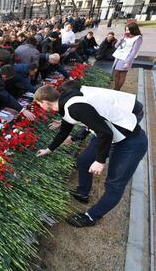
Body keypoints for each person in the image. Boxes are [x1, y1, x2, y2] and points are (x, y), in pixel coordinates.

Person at [35, 84, 147, 227]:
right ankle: (83, 193)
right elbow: (64, 131)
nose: (40, 107)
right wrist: (49, 149)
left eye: (39, 104)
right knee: (84, 160)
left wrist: (100, 161)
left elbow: (105, 133)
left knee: (114, 185)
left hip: (129, 142)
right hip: (110, 137)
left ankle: (91, 217)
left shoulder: (74, 107)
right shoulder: (65, 103)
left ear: (45, 102)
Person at [112, 22, 143, 90]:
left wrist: (127, 62)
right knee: (116, 73)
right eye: (126, 30)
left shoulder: (138, 38)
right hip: (119, 56)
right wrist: (122, 38)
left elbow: (134, 51)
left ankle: (117, 89)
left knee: (122, 74)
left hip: (126, 58)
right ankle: (116, 88)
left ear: (133, 29)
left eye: (128, 30)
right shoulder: (126, 36)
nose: (127, 31)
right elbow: (116, 46)